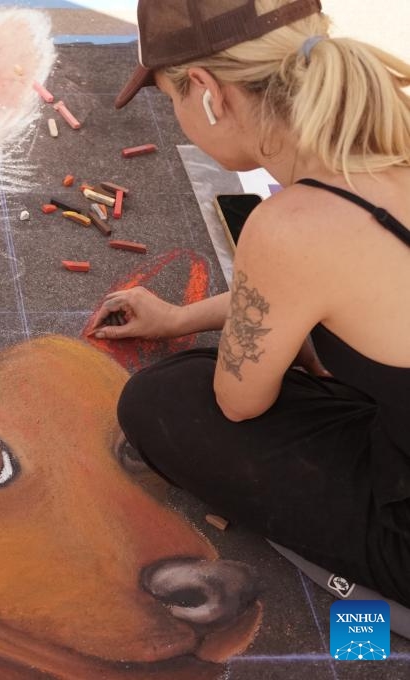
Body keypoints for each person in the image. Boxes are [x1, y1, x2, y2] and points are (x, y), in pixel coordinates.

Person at [102, 0, 410, 610]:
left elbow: (239, 402)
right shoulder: (387, 141)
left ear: (208, 91)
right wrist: (181, 317)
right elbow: (318, 290)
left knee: (164, 400)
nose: (179, 117)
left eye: (172, 101)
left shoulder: (294, 225)